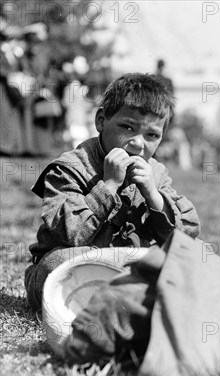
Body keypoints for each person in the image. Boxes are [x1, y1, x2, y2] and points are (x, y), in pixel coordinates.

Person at [24, 73, 201, 312]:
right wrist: (108, 186)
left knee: (196, 254)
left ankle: (141, 299)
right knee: (58, 264)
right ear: (101, 121)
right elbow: (70, 234)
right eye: (127, 127)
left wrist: (153, 196)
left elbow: (187, 233)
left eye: (152, 135)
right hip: (78, 266)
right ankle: (137, 301)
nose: (138, 144)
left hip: (128, 267)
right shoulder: (70, 168)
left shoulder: (155, 173)